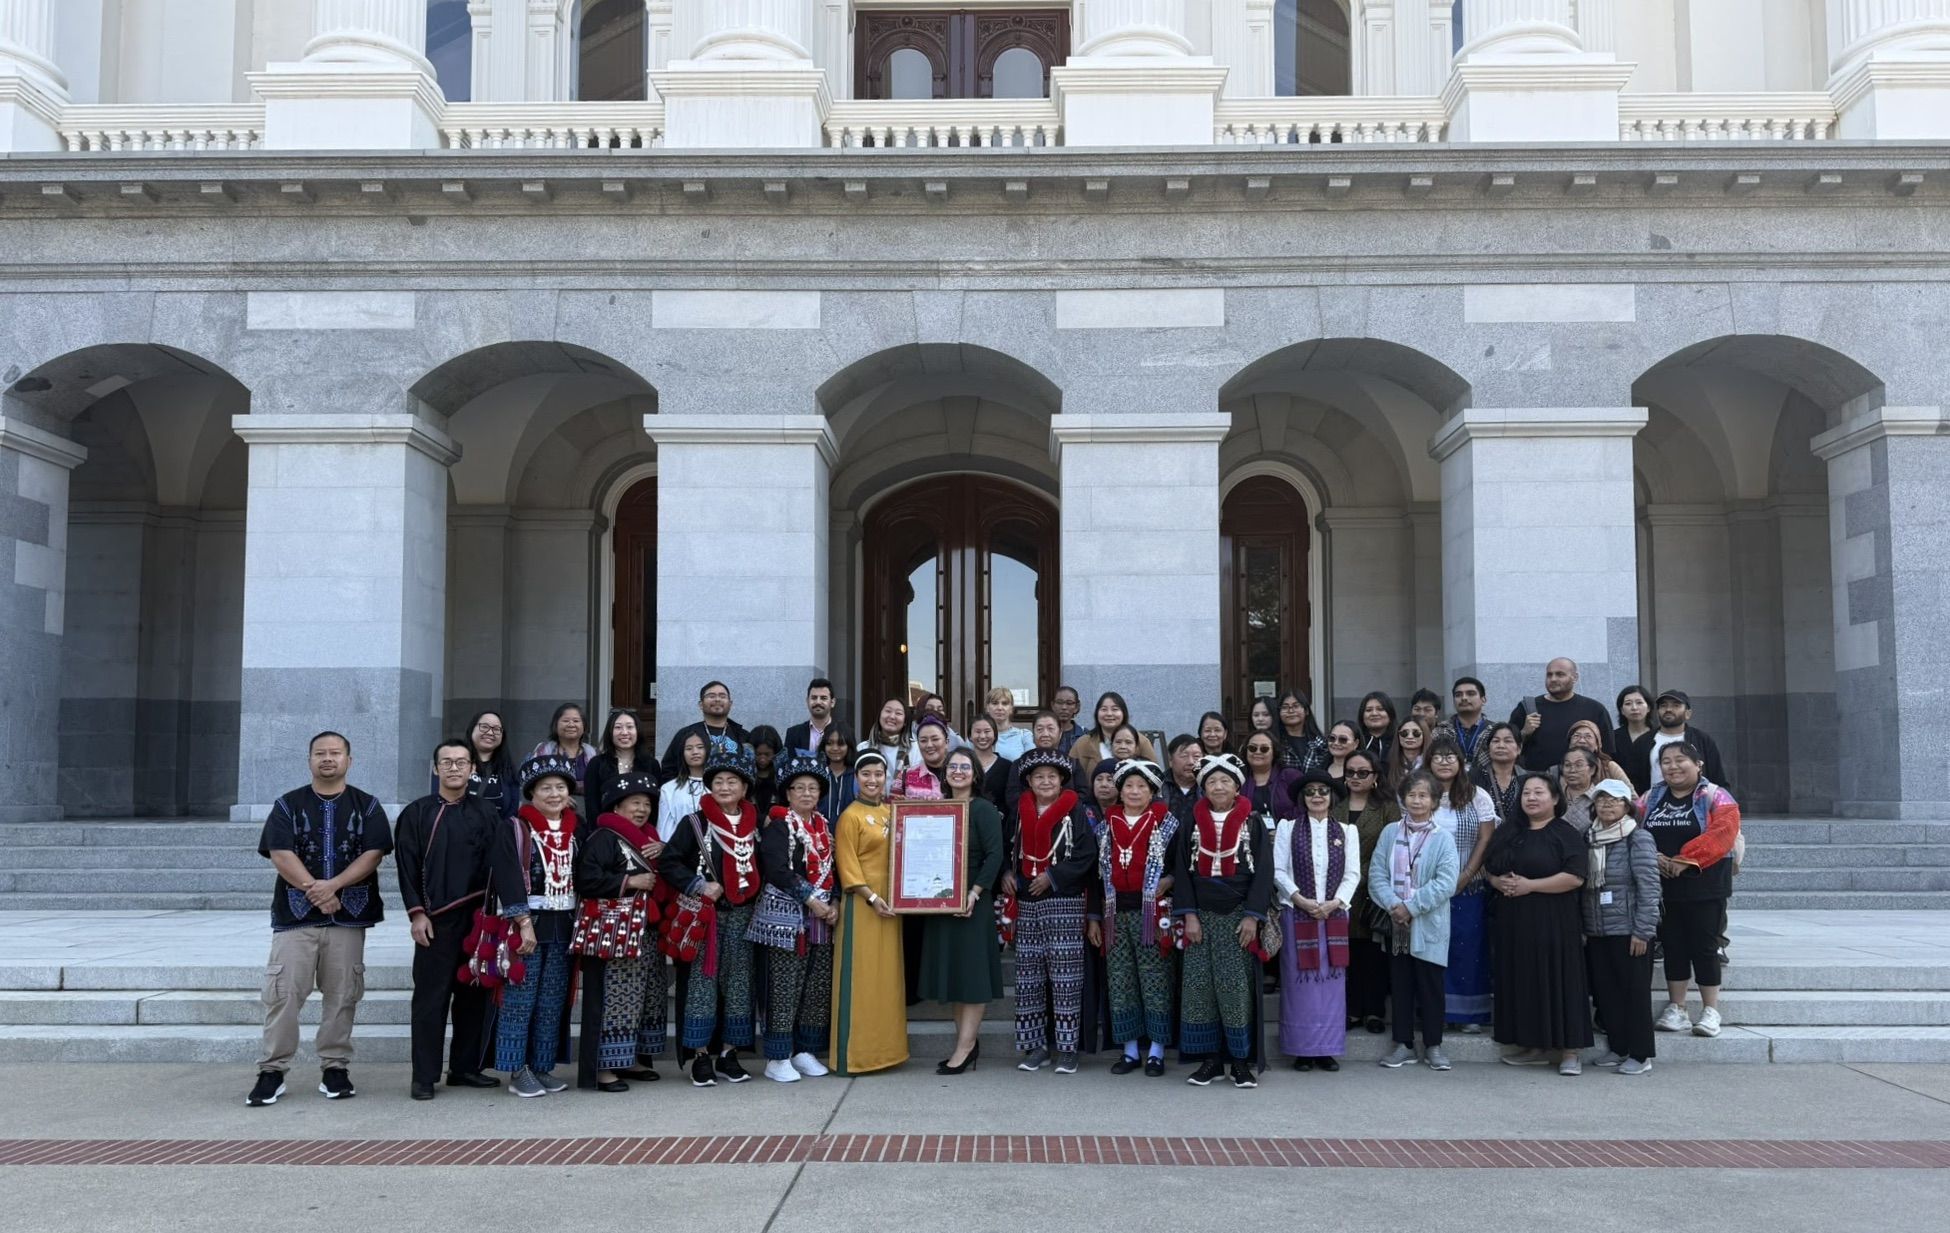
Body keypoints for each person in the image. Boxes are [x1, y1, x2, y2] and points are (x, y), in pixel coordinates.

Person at [247, 731, 393, 1108]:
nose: (328, 759)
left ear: (349, 759)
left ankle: (335, 1066)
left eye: (335, 753)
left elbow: (374, 853)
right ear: (309, 759)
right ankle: (272, 1070)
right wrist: (316, 889)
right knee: (284, 994)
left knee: (343, 995)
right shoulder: (287, 805)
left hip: (349, 916)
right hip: (296, 917)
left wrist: (336, 887)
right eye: (320, 753)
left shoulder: (368, 806)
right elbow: (280, 853)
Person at [395, 738, 507, 1101]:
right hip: (436, 921)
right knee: (430, 1000)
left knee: (474, 996)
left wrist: (498, 917)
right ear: (435, 768)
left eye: (462, 762)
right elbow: (406, 868)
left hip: (478, 919)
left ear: (473, 769)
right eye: (447, 762)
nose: (454, 768)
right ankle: (423, 1076)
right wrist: (416, 914)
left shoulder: (488, 813)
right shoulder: (417, 813)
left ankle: (465, 1067)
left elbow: (499, 867)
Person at [659, 741, 765, 1087]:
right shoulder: (694, 823)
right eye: (718, 781)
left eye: (732, 781)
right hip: (707, 919)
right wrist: (698, 885)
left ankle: (730, 1053)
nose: (724, 787)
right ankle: (700, 1056)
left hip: (744, 916)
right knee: (702, 987)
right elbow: (669, 861)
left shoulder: (754, 824)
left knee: (739, 986)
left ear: (744, 787)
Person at [1173, 752, 1274, 1089]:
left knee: (1235, 990)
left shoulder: (1253, 822)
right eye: (1212, 781)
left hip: (1237, 916)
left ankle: (1241, 1062)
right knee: (1200, 990)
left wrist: (1252, 917)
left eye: (1225, 781)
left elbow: (1263, 873)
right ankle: (1211, 1061)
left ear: (1236, 787)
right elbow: (1181, 873)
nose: (1218, 786)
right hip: (1201, 916)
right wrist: (1189, 915)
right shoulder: (1190, 820)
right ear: (1203, 787)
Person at [1485, 773, 1593, 1075]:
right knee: (1526, 981)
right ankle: (1534, 1045)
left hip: (1554, 921)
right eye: (1526, 793)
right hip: (1514, 922)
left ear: (1555, 799)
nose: (1531, 798)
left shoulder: (1565, 832)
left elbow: (1574, 876)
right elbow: (1489, 869)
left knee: (1560, 980)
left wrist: (1530, 885)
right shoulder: (1510, 831)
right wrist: (1498, 882)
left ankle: (1570, 1052)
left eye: (1539, 793)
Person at [1006, 748, 1099, 1074]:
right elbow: (1009, 848)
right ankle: (1036, 1047)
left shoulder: (1077, 810)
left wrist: (1053, 877)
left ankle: (1068, 1047)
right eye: (1038, 776)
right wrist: (1008, 872)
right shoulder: (1019, 810)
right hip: (1028, 899)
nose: (1045, 781)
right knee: (1029, 976)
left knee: (1065, 977)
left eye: (1051, 776)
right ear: (1029, 781)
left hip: (1064, 899)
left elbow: (1087, 855)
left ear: (1062, 779)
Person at [1641, 742, 1741, 1039]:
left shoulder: (1715, 795)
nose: (1672, 766)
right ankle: (1678, 1008)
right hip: (1664, 886)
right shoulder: (1651, 796)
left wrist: (1687, 859)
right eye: (1666, 761)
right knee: (1673, 946)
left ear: (1698, 764)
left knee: (1705, 946)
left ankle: (1710, 1011)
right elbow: (1633, 826)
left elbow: (1724, 830)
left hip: (1705, 884)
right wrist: (1653, 855)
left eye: (1680, 760)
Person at [574, 770, 665, 1092]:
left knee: (642, 998)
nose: (641, 810)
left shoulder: (650, 839)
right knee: (612, 999)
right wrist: (629, 882)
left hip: (642, 930)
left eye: (645, 804)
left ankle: (629, 1058)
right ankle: (602, 1066)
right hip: (612, 933)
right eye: (633, 803)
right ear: (616, 808)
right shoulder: (603, 838)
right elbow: (586, 879)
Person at [496, 754, 581, 1098]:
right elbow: (507, 875)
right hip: (529, 925)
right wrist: (523, 923)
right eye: (545, 788)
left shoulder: (578, 828)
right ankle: (518, 1070)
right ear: (532, 793)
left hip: (565, 924)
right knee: (521, 999)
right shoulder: (515, 828)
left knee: (552, 1000)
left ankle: (542, 1066)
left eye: (560, 787)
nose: (554, 794)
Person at [1087, 758, 1178, 1077]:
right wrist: (1094, 917)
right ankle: (1128, 1050)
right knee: (1120, 980)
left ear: (1153, 791)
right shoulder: (1104, 827)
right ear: (1119, 791)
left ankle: (1156, 1050)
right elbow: (1095, 878)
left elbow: (1181, 867)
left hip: (1152, 914)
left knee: (1155, 980)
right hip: (1115, 914)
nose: (1135, 791)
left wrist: (1169, 881)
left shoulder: (1168, 825)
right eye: (1128, 786)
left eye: (1142, 786)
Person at [753, 755, 840, 1084]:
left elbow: (832, 868)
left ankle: (805, 1050)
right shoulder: (779, 826)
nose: (806, 793)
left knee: (816, 987)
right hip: (786, 920)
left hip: (819, 921)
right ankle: (777, 1056)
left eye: (812, 788)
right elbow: (777, 869)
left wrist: (832, 901)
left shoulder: (824, 826)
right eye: (799, 788)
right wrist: (812, 899)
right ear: (787, 793)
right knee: (784, 987)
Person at [921, 748, 1006, 1074]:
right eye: (952, 766)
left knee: (971, 978)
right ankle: (965, 1044)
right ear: (944, 774)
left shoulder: (983, 809)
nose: (958, 771)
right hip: (941, 902)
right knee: (956, 977)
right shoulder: (937, 809)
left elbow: (995, 856)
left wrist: (974, 892)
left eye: (964, 767)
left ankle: (966, 1046)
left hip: (973, 903)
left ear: (975, 774)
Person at [1367, 771, 1459, 1071]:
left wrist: (1411, 907)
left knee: (1431, 986)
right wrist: (1395, 906)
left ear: (1434, 801)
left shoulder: (1443, 838)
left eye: (1424, 795)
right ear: (1402, 799)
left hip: (1428, 924)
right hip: (1396, 924)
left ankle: (1434, 1045)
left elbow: (1446, 882)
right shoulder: (1390, 833)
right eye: (1412, 794)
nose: (1417, 800)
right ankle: (1403, 1044)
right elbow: (1377, 875)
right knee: (1401, 985)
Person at [1274, 770, 1360, 1072]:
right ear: (1303, 798)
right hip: (1298, 914)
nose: (1317, 796)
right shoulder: (1288, 828)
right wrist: (1300, 899)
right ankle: (1301, 1050)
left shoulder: (1347, 832)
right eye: (1310, 792)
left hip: (1334, 915)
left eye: (1323, 791)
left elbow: (1353, 874)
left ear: (1332, 796)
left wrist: (1335, 902)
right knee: (1300, 986)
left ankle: (1326, 1050)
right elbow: (1279, 871)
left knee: (1331, 986)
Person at [830, 751, 909, 1074]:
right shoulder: (850, 816)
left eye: (879, 774)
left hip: (893, 908)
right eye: (866, 775)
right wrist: (872, 897)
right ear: (856, 778)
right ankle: (855, 1056)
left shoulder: (893, 812)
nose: (873, 780)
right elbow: (847, 865)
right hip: (864, 907)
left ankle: (887, 1052)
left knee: (887, 981)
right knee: (860, 979)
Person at [1584, 779, 1661, 1075]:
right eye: (1601, 799)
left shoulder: (1637, 838)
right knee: (1607, 994)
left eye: (1614, 800)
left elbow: (1650, 887)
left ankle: (1641, 1054)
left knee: (1634, 994)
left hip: (1629, 930)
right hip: (1598, 929)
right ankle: (1618, 1047)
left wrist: (1643, 930)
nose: (1606, 804)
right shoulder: (1589, 837)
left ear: (1626, 806)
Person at [1426, 736, 1497, 1033]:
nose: (1444, 761)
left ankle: (1470, 1015)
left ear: (1461, 763)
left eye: (1450, 756)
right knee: (1433, 952)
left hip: (1467, 885)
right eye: (1438, 756)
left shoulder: (1477, 795)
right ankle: (1436, 1011)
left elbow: (1486, 837)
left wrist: (1466, 874)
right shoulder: (1418, 793)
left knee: (1467, 948)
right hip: (1427, 888)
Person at [1334, 749, 1397, 1035]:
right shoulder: (1335, 808)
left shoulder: (1386, 807)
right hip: (1342, 893)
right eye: (1351, 772)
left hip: (1375, 889)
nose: (1356, 778)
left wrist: (1359, 873)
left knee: (1373, 954)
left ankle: (1373, 1011)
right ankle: (1352, 1010)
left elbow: (1393, 846)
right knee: (1348, 953)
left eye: (1363, 772)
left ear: (1375, 777)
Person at [1507, 657, 1614, 772]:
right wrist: (1524, 732)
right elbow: (1507, 747)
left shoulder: (1594, 709)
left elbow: (1607, 752)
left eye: (1560, 674)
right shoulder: (1527, 708)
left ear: (1575, 678)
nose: (1553, 679)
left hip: (1580, 782)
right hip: (1537, 782)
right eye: (1549, 675)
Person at [1630, 689, 1728, 793]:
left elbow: (1717, 777)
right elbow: (1634, 780)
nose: (1668, 709)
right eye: (1663, 705)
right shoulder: (1643, 742)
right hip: (1653, 805)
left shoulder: (1702, 740)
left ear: (1688, 713)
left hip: (1697, 804)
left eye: (1676, 705)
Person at [657, 680, 750, 781]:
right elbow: (669, 768)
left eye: (722, 696)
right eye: (711, 696)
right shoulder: (686, 734)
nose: (717, 699)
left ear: (730, 704)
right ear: (701, 704)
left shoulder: (743, 736)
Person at [584, 708, 649, 827]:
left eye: (630, 727)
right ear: (610, 732)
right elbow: (592, 805)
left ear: (637, 731)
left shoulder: (650, 764)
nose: (624, 732)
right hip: (606, 833)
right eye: (618, 727)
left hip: (641, 834)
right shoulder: (597, 764)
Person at [455, 709, 518, 820]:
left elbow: (511, 812)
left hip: (495, 834)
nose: (490, 732)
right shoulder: (453, 763)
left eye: (496, 729)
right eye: (484, 726)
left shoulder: (508, 771)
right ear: (471, 729)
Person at [1070, 691, 1160, 769]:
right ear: (1097, 713)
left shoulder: (1141, 741)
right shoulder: (1083, 743)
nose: (1109, 714)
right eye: (1104, 709)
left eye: (1115, 709)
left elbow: (1154, 774)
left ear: (1123, 713)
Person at [531, 703, 593, 796]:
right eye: (565, 720)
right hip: (551, 803)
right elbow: (533, 782)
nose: (571, 724)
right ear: (555, 725)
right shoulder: (543, 750)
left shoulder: (593, 753)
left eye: (576, 721)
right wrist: (562, 796)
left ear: (584, 726)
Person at [1240, 730, 1300, 819]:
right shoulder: (1239, 778)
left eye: (1264, 749)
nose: (1257, 752)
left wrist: (1283, 827)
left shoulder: (1290, 776)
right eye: (1252, 748)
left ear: (1274, 753)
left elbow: (1304, 806)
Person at [1475, 722, 1524, 823]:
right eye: (1496, 741)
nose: (1501, 745)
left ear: (1519, 749)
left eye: (1508, 741)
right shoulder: (1474, 777)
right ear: (1488, 748)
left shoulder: (1527, 778)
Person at [896, 715, 953, 799]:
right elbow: (890, 808)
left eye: (935, 739)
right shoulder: (904, 777)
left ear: (947, 742)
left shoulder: (958, 774)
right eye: (923, 741)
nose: (929, 745)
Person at [1444, 678, 1492, 775]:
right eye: (1458, 695)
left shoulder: (1495, 731)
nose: (1464, 698)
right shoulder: (1440, 730)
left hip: (1486, 786)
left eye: (1470, 694)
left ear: (1483, 700)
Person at [859, 697, 913, 783]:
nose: (892, 716)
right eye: (888, 711)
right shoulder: (863, 748)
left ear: (905, 721)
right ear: (880, 715)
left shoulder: (915, 749)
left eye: (898, 713)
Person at [1566, 718, 1632, 789]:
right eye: (1576, 736)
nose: (1582, 740)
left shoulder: (1610, 768)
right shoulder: (1557, 771)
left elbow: (1633, 797)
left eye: (1588, 736)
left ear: (1597, 744)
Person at [1274, 689, 1328, 774]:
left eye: (1296, 706)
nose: (1290, 711)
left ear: (1306, 711)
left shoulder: (1320, 744)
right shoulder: (1274, 742)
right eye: (1285, 707)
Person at [1613, 685, 1655, 790]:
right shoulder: (1612, 737)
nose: (1634, 708)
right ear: (1621, 710)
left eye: (1639, 702)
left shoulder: (1658, 736)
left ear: (1648, 707)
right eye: (1628, 703)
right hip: (1620, 795)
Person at [783, 677, 836, 757]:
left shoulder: (845, 733)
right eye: (814, 698)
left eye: (823, 698)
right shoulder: (793, 733)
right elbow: (788, 766)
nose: (818, 702)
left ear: (832, 702)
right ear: (807, 701)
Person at [818, 723, 859, 821]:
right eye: (829, 743)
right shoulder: (818, 775)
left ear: (849, 745)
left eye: (840, 743)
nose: (835, 748)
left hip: (851, 834)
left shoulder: (857, 776)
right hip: (820, 834)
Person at [1558, 747, 1602, 832]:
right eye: (1567, 765)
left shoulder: (1600, 798)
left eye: (1579, 765)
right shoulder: (1554, 796)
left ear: (1592, 769)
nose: (1572, 770)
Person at [985, 687, 1035, 760]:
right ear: (987, 707)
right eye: (995, 703)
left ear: (1011, 708)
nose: (999, 708)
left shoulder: (1024, 736)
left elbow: (1031, 764)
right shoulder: (978, 736)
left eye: (1004, 703)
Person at [1163, 733, 1202, 822]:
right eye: (1184, 756)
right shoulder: (1159, 787)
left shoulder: (1207, 788)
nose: (1191, 762)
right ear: (1170, 760)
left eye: (1196, 756)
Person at [747, 725, 783, 816]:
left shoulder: (781, 776)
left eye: (767, 755)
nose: (762, 759)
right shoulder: (745, 776)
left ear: (776, 752)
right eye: (758, 754)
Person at [1384, 717, 1428, 790]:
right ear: (1398, 736)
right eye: (1404, 733)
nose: (1410, 737)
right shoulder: (1388, 763)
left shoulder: (1432, 762)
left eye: (1416, 733)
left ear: (1424, 735)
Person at [1357, 692, 1397, 762]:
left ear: (1390, 714)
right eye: (1369, 710)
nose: (1374, 714)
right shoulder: (1355, 742)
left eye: (1380, 709)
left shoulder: (1399, 740)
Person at [1323, 720, 1360, 787]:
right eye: (1332, 738)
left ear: (1356, 743)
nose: (1336, 743)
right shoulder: (1320, 769)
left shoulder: (1363, 772)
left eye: (1343, 739)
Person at [1051, 685, 1086, 755]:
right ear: (1053, 705)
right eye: (1059, 702)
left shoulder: (1085, 735)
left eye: (1069, 703)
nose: (1064, 707)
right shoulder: (1045, 733)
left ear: (1076, 707)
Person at [1085, 758, 1119, 825]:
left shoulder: (1128, 812)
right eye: (1099, 779)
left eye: (1110, 780)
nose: (1103, 784)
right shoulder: (1081, 812)